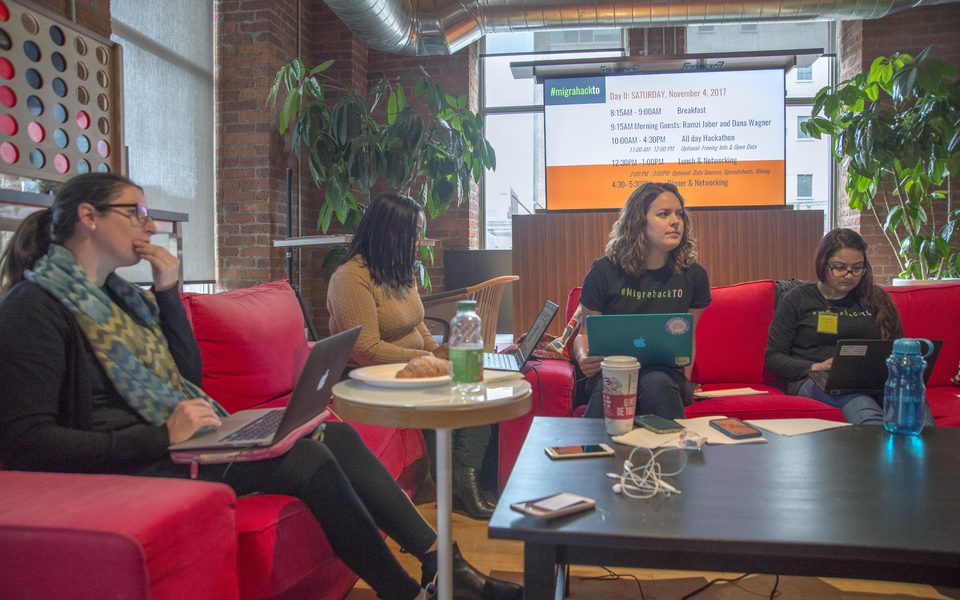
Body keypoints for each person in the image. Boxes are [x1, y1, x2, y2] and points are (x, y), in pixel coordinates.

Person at [0, 173, 521, 600]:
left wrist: (166, 293)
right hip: (133, 462)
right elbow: (25, 441)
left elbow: (187, 377)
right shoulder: (34, 308)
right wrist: (160, 437)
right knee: (308, 459)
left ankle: (440, 565)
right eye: (134, 211)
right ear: (89, 218)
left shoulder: (121, 299)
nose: (151, 224)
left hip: (175, 443)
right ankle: (402, 591)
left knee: (334, 435)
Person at [327, 192, 499, 520]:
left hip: (405, 366)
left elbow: (417, 322)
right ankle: (464, 480)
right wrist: (426, 359)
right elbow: (365, 350)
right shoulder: (350, 278)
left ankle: (469, 476)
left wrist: (435, 352)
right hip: (367, 377)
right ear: (390, 233)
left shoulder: (395, 270)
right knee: (463, 384)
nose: (419, 242)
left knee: (476, 377)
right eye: (414, 234)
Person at [764, 227, 934, 426]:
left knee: (913, 409)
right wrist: (816, 366)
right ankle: (878, 455)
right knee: (864, 409)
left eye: (857, 268)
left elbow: (894, 348)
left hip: (874, 380)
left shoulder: (877, 299)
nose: (849, 275)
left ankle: (924, 455)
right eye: (839, 267)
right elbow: (773, 357)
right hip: (816, 379)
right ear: (823, 264)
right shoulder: (798, 299)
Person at [573, 182, 711, 420]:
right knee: (615, 383)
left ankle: (675, 455)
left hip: (666, 376)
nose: (676, 221)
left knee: (656, 382)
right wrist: (584, 357)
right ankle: (595, 454)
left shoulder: (694, 275)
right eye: (664, 214)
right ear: (639, 221)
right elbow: (585, 334)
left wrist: (685, 380)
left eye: (679, 214)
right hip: (613, 371)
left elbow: (688, 339)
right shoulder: (604, 271)